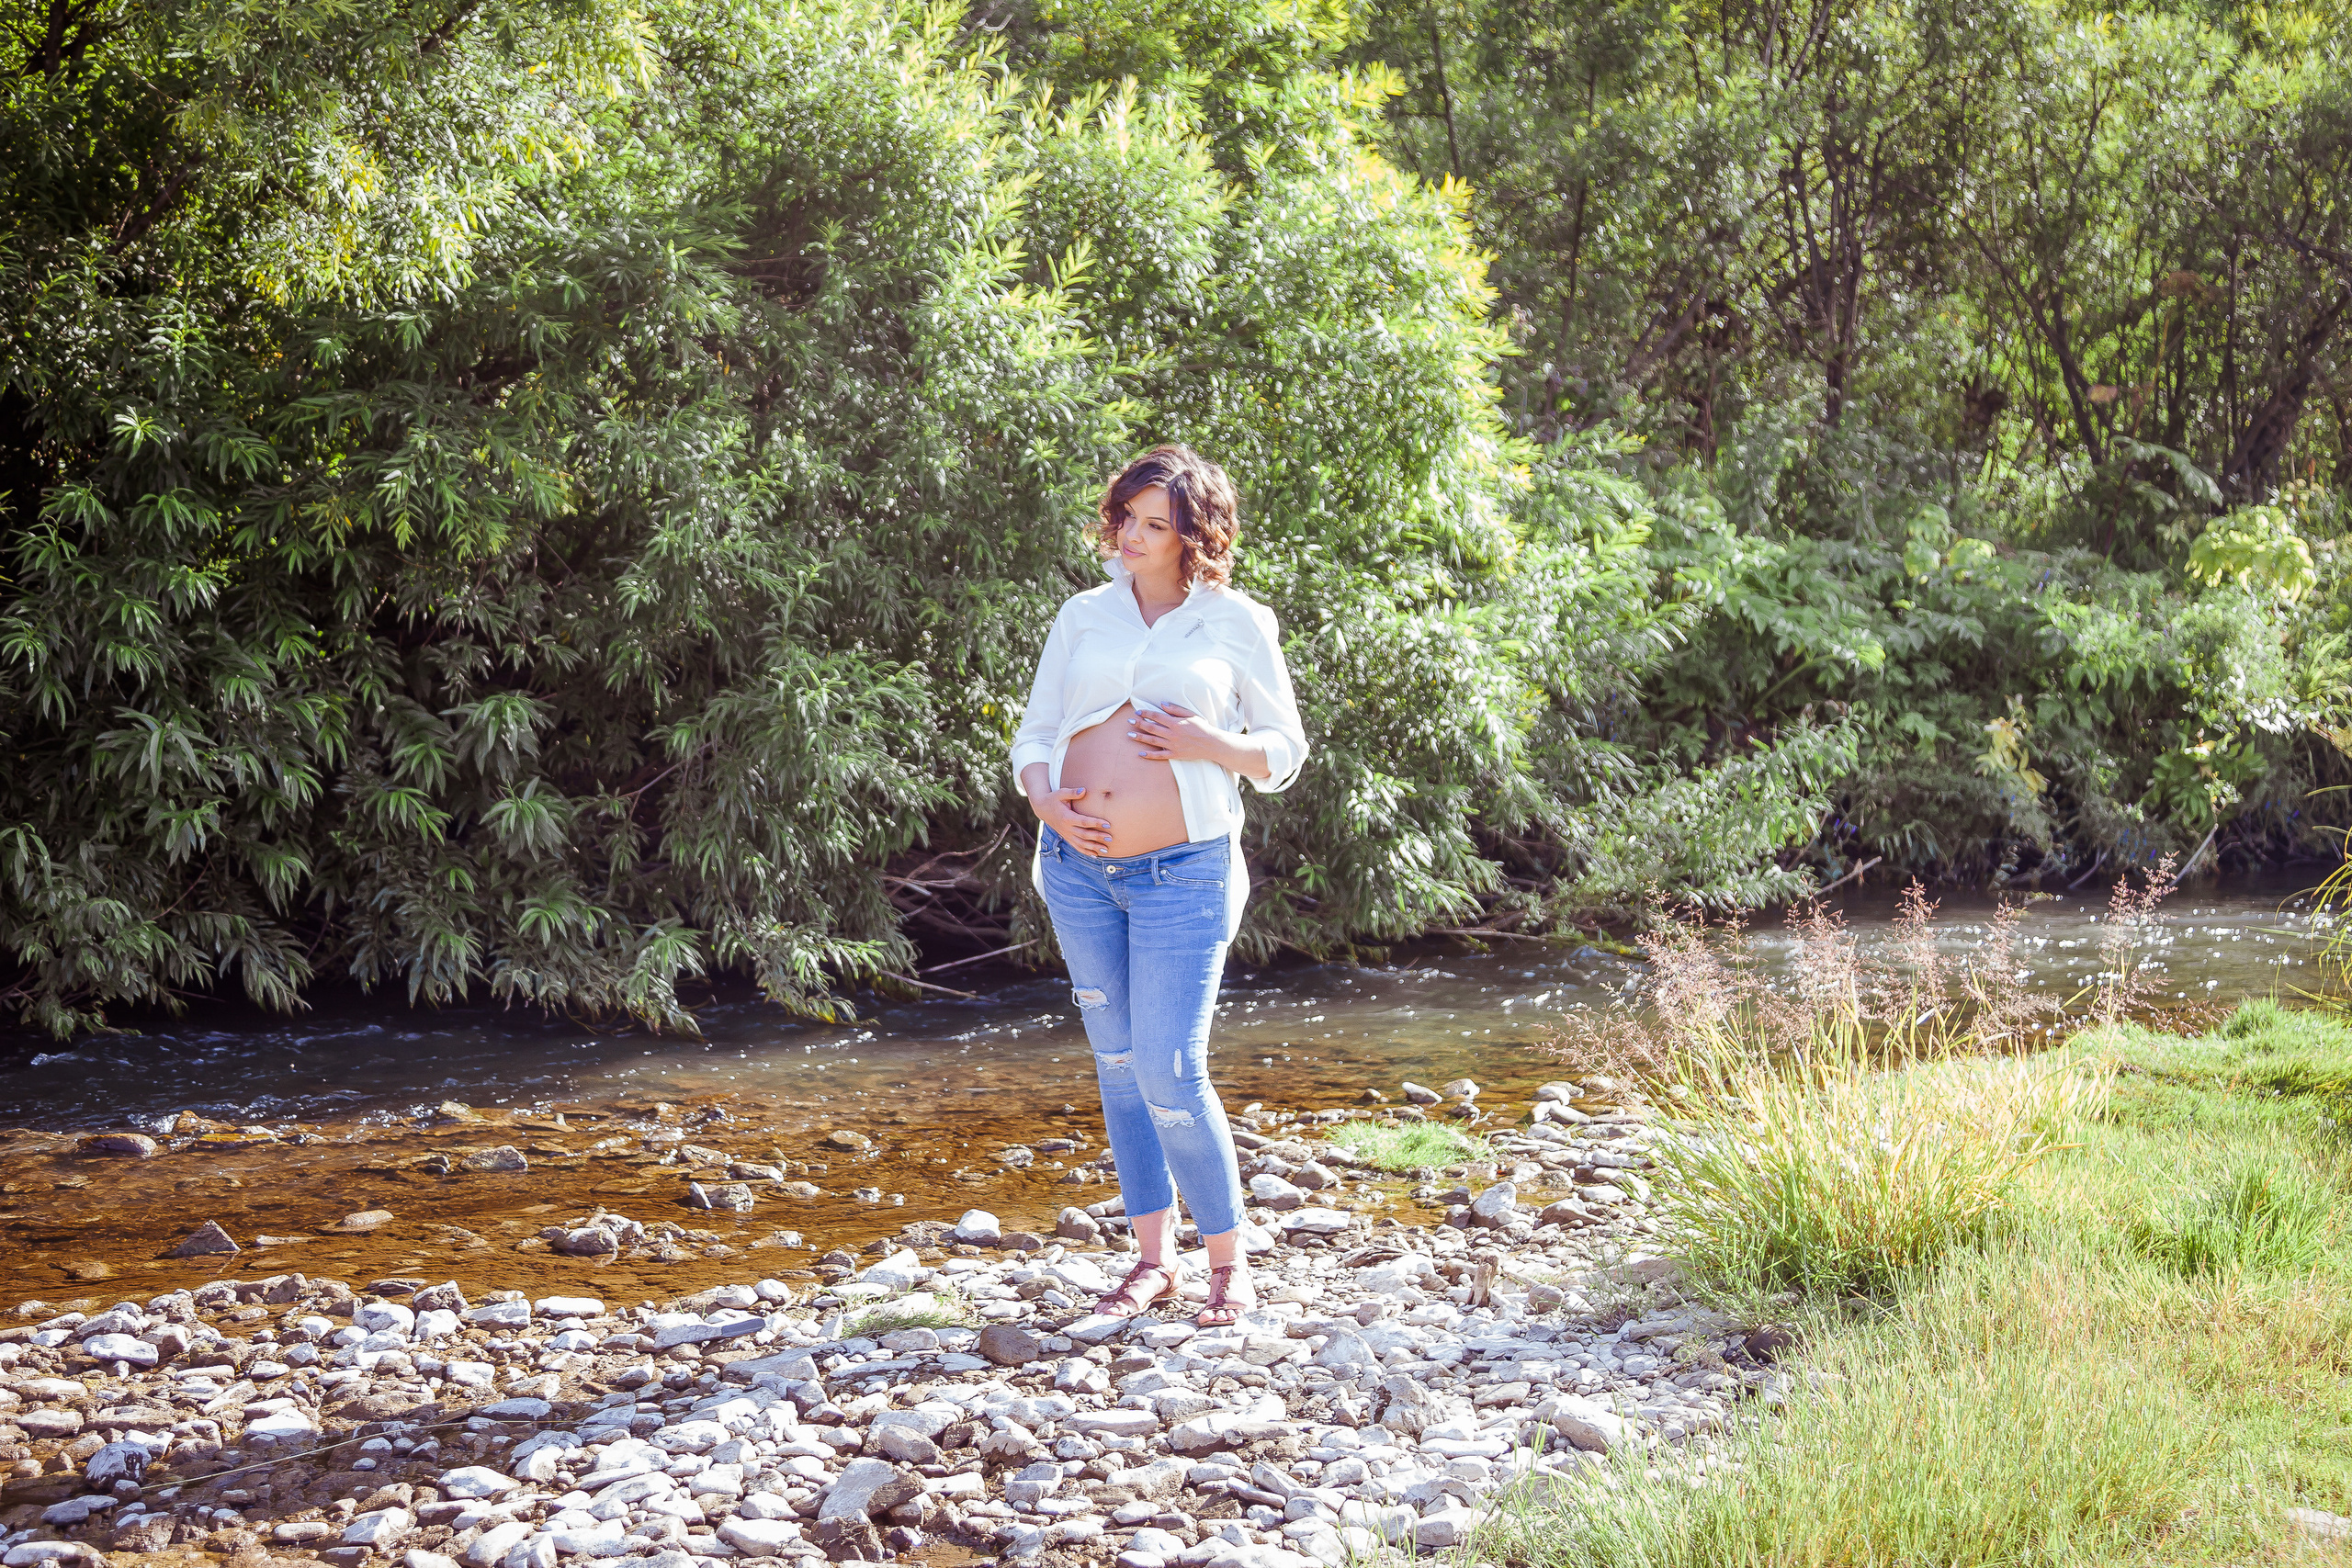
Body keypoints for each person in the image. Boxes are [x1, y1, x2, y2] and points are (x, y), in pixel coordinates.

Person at [1010, 445, 1309, 1327]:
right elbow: (1034, 736)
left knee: (1171, 1066)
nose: (1132, 537)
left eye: (1156, 524)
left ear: (1194, 535)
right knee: (1118, 1065)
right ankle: (1151, 1260)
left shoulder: (1236, 622)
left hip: (1186, 871)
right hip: (1076, 871)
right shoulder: (1083, 614)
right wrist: (1051, 808)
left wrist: (1209, 745)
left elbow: (1283, 753)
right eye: (1126, 518)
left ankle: (1228, 1263)